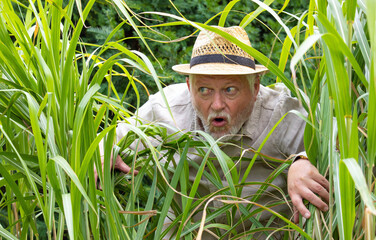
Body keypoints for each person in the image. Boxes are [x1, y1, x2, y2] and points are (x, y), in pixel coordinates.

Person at [98, 26, 329, 239]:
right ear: (189, 87)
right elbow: (118, 137)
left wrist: (302, 160)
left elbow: (333, 142)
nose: (217, 104)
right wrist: (104, 150)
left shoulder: (281, 113)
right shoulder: (166, 109)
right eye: (204, 90)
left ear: (255, 86)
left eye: (230, 90)